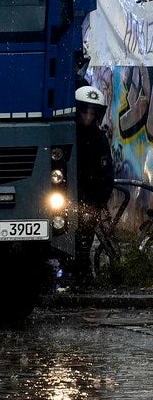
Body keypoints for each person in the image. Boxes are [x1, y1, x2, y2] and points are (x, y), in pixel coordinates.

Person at [73, 85, 115, 287]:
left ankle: (82, 277)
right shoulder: (68, 134)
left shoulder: (99, 138)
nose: (88, 116)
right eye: (84, 111)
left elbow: (107, 173)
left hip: (90, 201)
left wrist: (98, 202)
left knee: (84, 240)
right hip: (69, 197)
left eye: (92, 112)